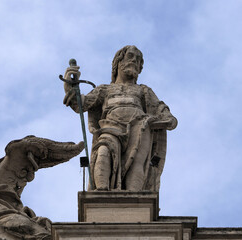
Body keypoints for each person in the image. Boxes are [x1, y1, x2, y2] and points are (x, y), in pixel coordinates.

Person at [63, 45, 177, 191]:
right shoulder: (105, 89)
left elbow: (159, 108)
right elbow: (80, 104)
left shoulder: (143, 90)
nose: (134, 61)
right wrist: (69, 86)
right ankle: (101, 196)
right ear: (118, 62)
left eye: (138, 60)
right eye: (130, 57)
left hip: (140, 126)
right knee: (103, 152)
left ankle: (134, 202)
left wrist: (168, 118)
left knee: (137, 162)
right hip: (110, 125)